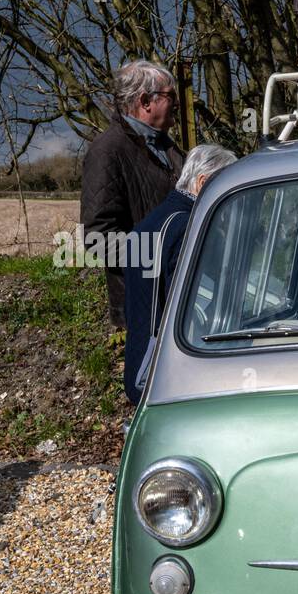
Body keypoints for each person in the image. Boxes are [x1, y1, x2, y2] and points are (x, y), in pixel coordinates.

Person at [123, 143, 237, 406]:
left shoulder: (152, 222)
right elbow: (196, 308)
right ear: (203, 182)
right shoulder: (187, 227)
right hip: (170, 372)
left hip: (142, 362)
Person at [81, 60, 186, 329]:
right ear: (145, 101)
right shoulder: (108, 151)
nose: (177, 103)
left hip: (179, 294)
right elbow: (98, 237)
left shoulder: (168, 147)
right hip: (145, 303)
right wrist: (162, 256)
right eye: (170, 96)